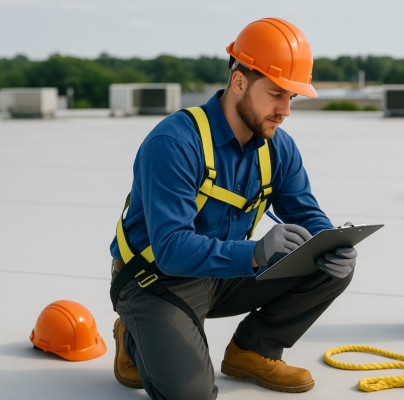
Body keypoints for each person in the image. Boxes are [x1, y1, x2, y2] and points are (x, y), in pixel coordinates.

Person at [109, 18, 357, 400]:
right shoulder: (174, 142)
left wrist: (332, 243)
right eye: (276, 93)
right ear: (239, 82)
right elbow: (172, 250)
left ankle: (252, 351)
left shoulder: (278, 147)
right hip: (156, 279)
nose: (285, 110)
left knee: (328, 266)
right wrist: (256, 253)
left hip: (223, 271)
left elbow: (308, 215)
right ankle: (134, 337)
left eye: (291, 98)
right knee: (192, 395)